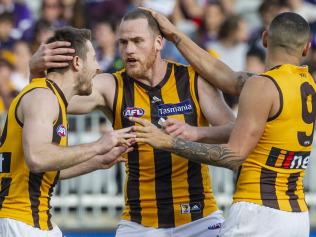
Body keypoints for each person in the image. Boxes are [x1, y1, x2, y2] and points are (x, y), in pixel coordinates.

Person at [31, 9, 235, 237]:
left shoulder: (192, 80)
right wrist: (36, 72)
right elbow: (52, 99)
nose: (129, 50)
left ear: (158, 43)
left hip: (199, 218)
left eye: (137, 41)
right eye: (123, 42)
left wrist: (195, 132)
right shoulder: (112, 86)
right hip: (139, 224)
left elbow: (234, 131)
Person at [131, 10, 314, 236]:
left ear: (265, 39)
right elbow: (226, 77)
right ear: (306, 48)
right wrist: (175, 35)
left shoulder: (262, 85)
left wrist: (169, 142)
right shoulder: (307, 85)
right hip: (296, 217)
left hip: (258, 212)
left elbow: (233, 156)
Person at [0, 27, 134, 237]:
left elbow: (43, 171)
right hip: (20, 222)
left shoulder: (49, 96)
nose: (98, 67)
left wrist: (98, 161)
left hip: (34, 221)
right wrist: (97, 145)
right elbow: (37, 158)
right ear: (77, 63)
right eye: (93, 58)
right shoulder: (43, 97)